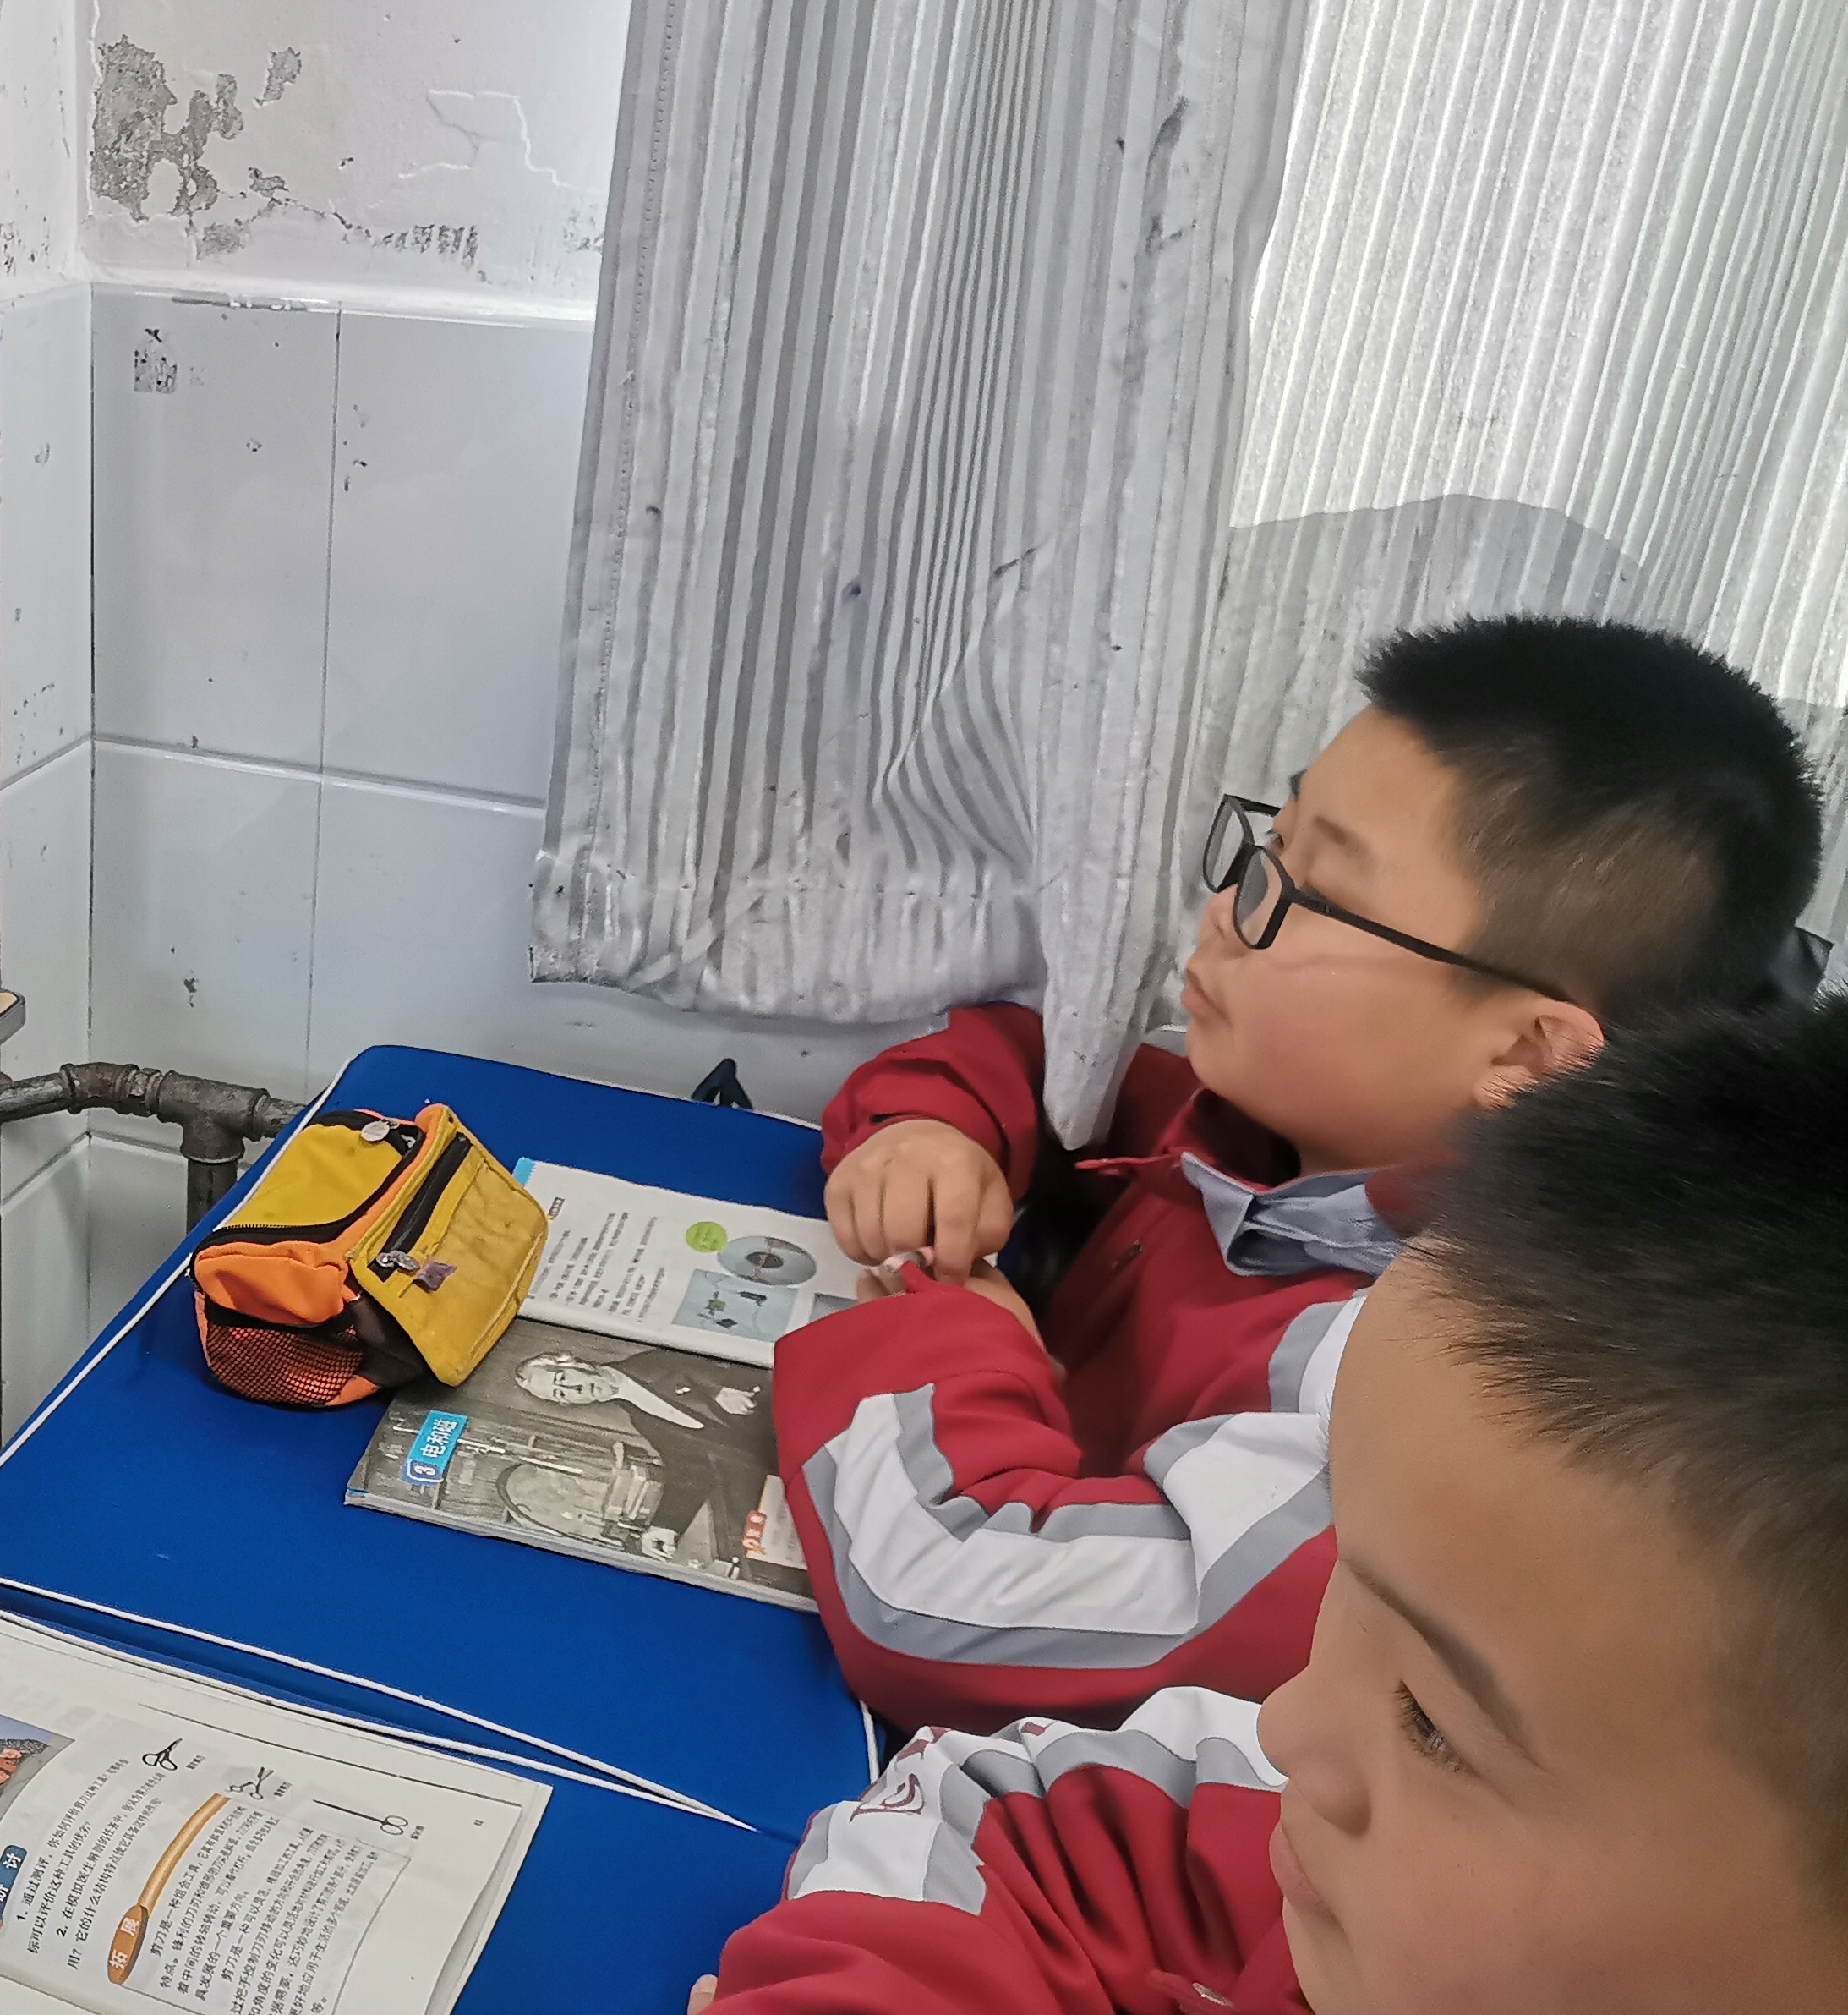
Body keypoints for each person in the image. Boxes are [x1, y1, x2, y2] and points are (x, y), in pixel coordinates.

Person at [629, 998, 1848, 2015]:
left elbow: (943, 1586)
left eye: (1433, 1724)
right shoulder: (1444, 1929)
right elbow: (1019, 1827)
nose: (1285, 1721)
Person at [776, 617, 1821, 1732]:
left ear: (1525, 1053)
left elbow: (943, 1603)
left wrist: (942, 1318)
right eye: (1269, 846)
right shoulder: (1281, 1127)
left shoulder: (1410, 1402)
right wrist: (929, 1131)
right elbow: (1037, 1058)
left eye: (1312, 895)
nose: (1229, 911)